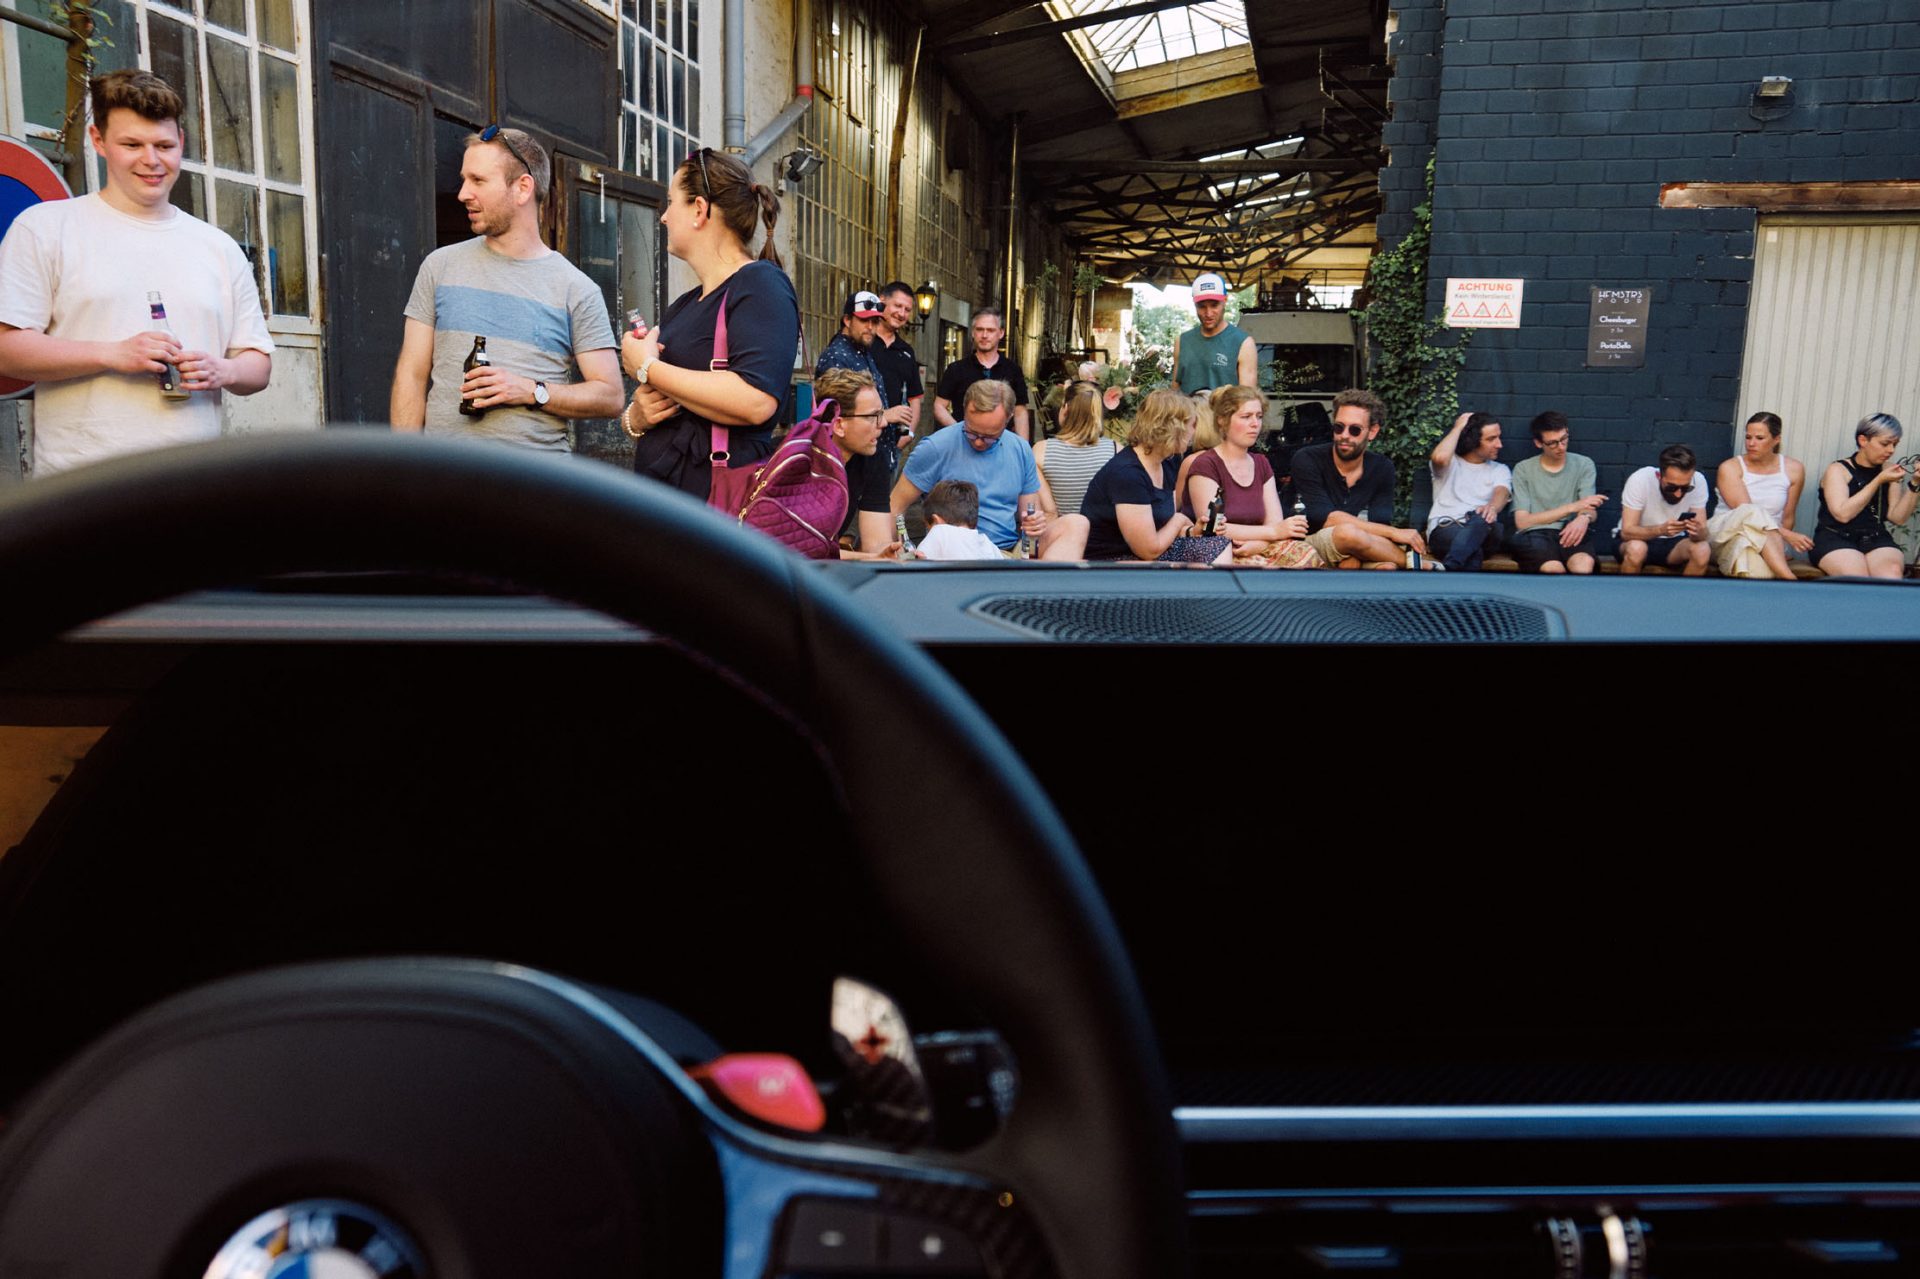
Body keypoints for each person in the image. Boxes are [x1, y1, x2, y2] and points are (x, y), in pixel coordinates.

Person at [0, 69, 273, 476]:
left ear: (181, 143)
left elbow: (258, 364)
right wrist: (112, 354)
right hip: (83, 489)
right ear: (99, 141)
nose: (151, 160)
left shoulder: (218, 246)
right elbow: (7, 350)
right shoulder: (45, 227)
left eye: (164, 145)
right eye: (132, 144)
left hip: (196, 486)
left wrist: (225, 370)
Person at [391, 126, 622, 448]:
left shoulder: (576, 288)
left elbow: (610, 396)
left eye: (478, 181)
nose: (462, 193)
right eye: (464, 179)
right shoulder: (439, 266)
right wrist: (404, 468)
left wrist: (530, 391)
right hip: (443, 482)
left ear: (522, 188)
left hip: (533, 489)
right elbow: (411, 375)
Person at [620, 147, 799, 497]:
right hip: (666, 502)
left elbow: (756, 400)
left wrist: (645, 368)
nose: (664, 217)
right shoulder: (687, 304)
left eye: (671, 202)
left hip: (714, 507)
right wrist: (636, 418)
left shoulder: (761, 283)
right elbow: (655, 405)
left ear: (700, 210)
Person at [892, 379, 1085, 559]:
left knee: (1076, 524)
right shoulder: (935, 447)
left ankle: (1037, 592)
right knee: (951, 535)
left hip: (1005, 552)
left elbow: (1029, 515)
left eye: (990, 436)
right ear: (964, 411)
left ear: (1008, 419)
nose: (978, 442)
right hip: (954, 552)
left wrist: (1035, 523)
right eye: (971, 432)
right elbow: (895, 507)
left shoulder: (1020, 448)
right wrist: (902, 547)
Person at [1079, 388, 1232, 565]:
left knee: (1218, 544)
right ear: (1175, 428)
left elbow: (1161, 528)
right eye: (1192, 424)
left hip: (1149, 554)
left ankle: (1217, 593)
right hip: (1113, 560)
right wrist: (1179, 520)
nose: (1194, 431)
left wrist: (1193, 531)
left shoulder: (1167, 461)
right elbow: (1148, 550)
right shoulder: (1128, 473)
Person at [1289, 388, 1437, 569]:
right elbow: (1325, 518)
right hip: (1307, 543)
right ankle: (1423, 566)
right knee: (1347, 533)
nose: (1344, 435)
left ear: (1372, 432)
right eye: (1339, 427)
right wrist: (1395, 533)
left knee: (1385, 567)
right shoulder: (1307, 458)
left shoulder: (1382, 467)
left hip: (1355, 545)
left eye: (1355, 430)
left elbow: (1379, 521)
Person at [1179, 385, 1318, 568]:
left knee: (1306, 552)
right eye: (1246, 417)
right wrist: (1273, 533)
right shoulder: (1206, 464)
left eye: (1259, 416)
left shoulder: (1261, 463)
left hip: (1256, 546)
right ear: (1222, 420)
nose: (1255, 424)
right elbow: (1213, 527)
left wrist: (1261, 543)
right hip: (1213, 550)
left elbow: (1274, 522)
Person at [1709, 411, 1813, 580]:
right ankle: (1791, 580)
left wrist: (1779, 547)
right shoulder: (1730, 467)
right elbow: (1747, 514)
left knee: (1755, 568)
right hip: (1725, 534)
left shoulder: (1793, 469)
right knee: (1752, 511)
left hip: (1762, 542)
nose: (1751, 443)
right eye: (1748, 437)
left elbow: (1788, 517)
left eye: (1759, 438)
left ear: (1776, 439)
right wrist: (1786, 535)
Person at [1812, 412, 1916, 580]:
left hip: (1875, 537)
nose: (1890, 450)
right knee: (1856, 577)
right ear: (1863, 440)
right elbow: (1842, 514)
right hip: (1836, 536)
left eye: (1895, 445)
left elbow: (1897, 518)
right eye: (1885, 444)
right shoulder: (1838, 470)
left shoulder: (1889, 469)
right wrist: (1878, 480)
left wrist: (1915, 484)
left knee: (1891, 575)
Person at [811, 365, 901, 558]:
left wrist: (888, 554)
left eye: (882, 413)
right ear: (839, 425)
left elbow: (876, 543)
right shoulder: (798, 459)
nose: (883, 423)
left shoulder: (873, 458)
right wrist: (871, 559)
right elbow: (805, 552)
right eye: (873, 416)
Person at [1509, 410, 1609, 574]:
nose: (1561, 447)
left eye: (1564, 439)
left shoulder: (1584, 464)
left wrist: (1584, 517)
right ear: (1538, 443)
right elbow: (1522, 522)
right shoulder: (1523, 469)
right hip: (1534, 534)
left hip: (1571, 529)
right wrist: (1572, 508)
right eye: (1553, 443)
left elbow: (1589, 509)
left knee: (1583, 565)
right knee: (1554, 570)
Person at [1425, 410, 1511, 571]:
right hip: (1446, 530)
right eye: (1491, 439)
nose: (1499, 444)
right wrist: (1458, 428)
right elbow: (1439, 458)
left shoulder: (1500, 470)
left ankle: (1448, 569)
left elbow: (1502, 492)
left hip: (1486, 531)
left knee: (1481, 518)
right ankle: (1454, 568)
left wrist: (1491, 507)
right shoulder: (1450, 465)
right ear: (1473, 441)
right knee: (1473, 553)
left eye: (1499, 437)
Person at [931, 307, 1030, 439]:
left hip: (1000, 444)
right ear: (973, 332)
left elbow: (1020, 412)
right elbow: (939, 406)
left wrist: (1023, 448)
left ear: (1001, 333)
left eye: (990, 330)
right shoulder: (956, 369)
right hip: (962, 444)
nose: (984, 335)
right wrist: (961, 431)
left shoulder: (1012, 370)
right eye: (979, 329)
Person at [1617, 443, 1712, 575]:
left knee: (1702, 549)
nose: (1678, 494)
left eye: (1685, 488)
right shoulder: (1640, 479)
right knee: (1636, 548)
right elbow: (1626, 532)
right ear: (1659, 476)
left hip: (1675, 544)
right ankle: (1628, 595)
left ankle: (1685, 596)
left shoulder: (1698, 481)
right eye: (1671, 487)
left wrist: (1698, 532)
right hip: (1637, 539)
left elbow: (1703, 534)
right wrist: (1660, 530)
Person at [1033, 382, 1118, 519]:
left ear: (1065, 408)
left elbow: (1045, 511)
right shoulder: (1116, 451)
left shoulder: (1041, 451)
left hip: (1063, 534)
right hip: (1104, 536)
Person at [1171, 272, 1254, 396]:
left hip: (1224, 414)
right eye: (1202, 306)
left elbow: (1248, 399)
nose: (1208, 313)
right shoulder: (1182, 341)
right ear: (1194, 304)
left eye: (1214, 305)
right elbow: (1175, 390)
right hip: (1188, 414)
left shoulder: (1243, 343)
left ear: (1225, 301)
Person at [871, 281, 924, 438]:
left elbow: (913, 399)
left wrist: (908, 435)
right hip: (858, 436)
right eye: (897, 306)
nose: (902, 314)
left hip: (891, 441)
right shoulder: (863, 340)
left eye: (907, 310)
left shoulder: (906, 352)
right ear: (882, 302)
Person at [915, 480, 1005, 561]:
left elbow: (917, 568)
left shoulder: (940, 531)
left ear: (936, 520)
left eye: (929, 528)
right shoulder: (988, 544)